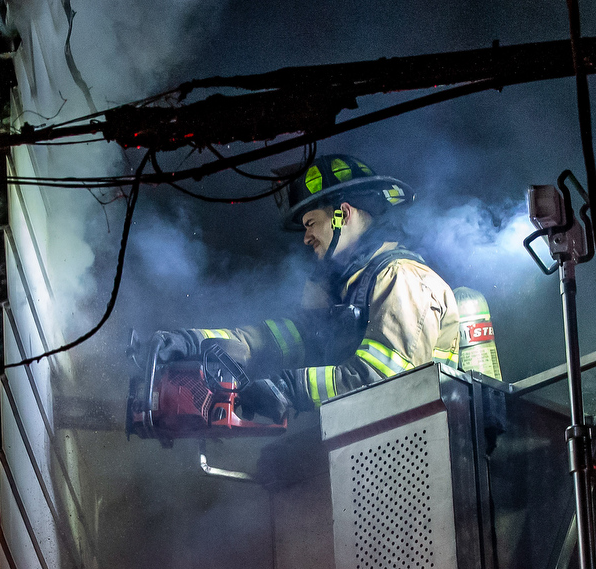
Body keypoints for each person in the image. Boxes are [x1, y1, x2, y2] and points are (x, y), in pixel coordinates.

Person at [153, 154, 466, 421]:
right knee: (276, 469)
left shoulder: (402, 278)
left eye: (311, 223)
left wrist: (289, 388)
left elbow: (385, 382)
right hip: (371, 446)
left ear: (344, 214)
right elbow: (273, 341)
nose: (306, 237)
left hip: (415, 451)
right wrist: (194, 342)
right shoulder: (344, 289)